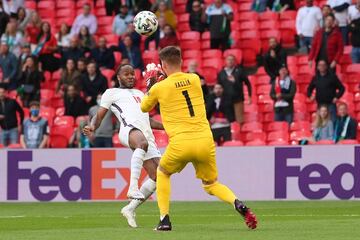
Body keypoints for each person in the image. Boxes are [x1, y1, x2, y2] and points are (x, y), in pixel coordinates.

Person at [140, 46, 257, 231]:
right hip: (204, 140)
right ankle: (237, 203)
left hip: (181, 143)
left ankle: (164, 220)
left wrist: (151, 86)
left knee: (162, 173)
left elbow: (144, 108)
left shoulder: (159, 88)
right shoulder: (194, 79)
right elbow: (178, 87)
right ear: (181, 62)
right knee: (211, 184)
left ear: (162, 65)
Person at [83, 64, 164, 228]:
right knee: (141, 143)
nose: (130, 77)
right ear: (118, 77)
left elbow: (147, 119)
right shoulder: (111, 93)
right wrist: (92, 127)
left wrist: (168, 126)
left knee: (160, 176)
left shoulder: (141, 94)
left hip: (146, 134)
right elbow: (99, 116)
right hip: (128, 130)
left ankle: (130, 208)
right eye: (126, 74)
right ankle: (132, 187)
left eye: (132, 74)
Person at [217, 55, 252, 124]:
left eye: (232, 60)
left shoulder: (239, 71)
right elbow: (219, 86)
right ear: (225, 61)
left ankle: (240, 134)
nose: (230, 61)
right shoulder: (221, 73)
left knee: (240, 120)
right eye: (229, 59)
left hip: (238, 99)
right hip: (226, 100)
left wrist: (249, 96)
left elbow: (248, 83)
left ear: (235, 62)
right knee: (228, 120)